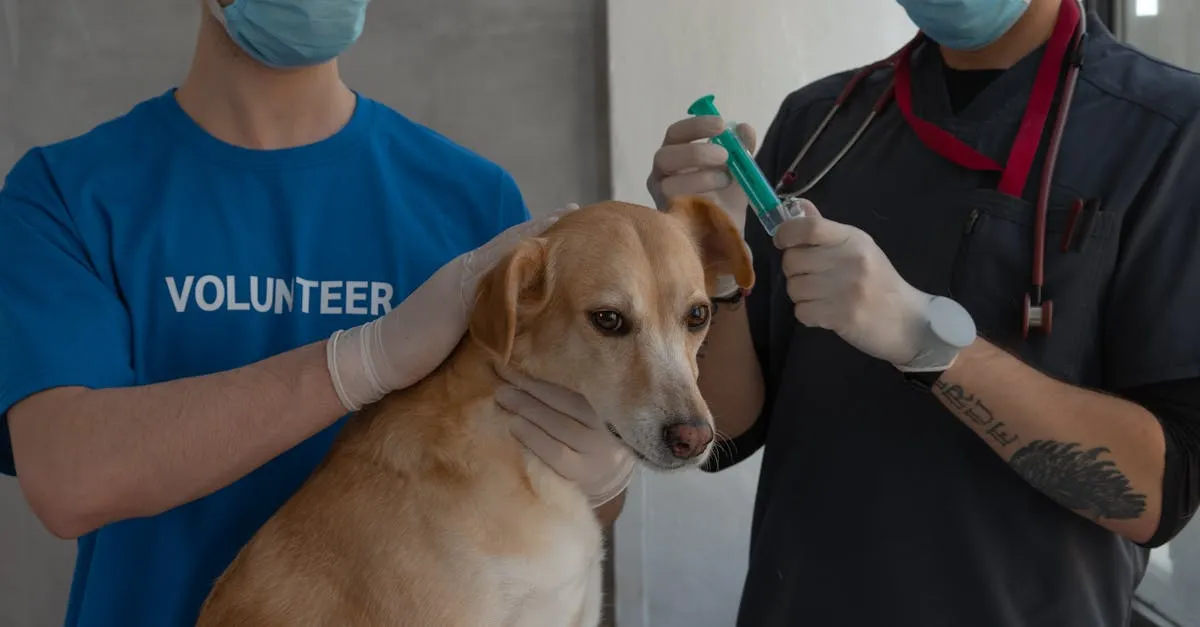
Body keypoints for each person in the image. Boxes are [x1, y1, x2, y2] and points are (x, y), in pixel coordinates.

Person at [0, 1, 633, 626]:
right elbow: (70, 480)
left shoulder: (472, 204)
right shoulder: (65, 194)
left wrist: (600, 483)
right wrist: (364, 359)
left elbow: (539, 492)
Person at [650, 0, 1200, 625]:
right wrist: (711, 260)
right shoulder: (820, 121)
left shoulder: (1171, 130)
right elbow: (724, 433)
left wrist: (925, 339)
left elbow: (1160, 491)